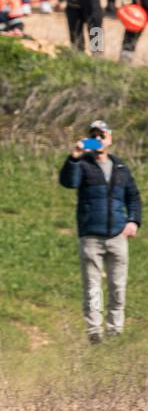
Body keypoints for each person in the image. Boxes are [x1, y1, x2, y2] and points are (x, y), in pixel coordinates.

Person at [59, 121, 141, 342]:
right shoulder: (82, 164)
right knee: (93, 287)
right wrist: (75, 156)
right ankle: (95, 332)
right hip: (91, 236)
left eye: (101, 135)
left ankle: (116, 331)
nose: (98, 139)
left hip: (117, 235)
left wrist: (133, 221)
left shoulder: (121, 167)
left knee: (118, 287)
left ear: (110, 138)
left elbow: (133, 197)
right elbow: (69, 182)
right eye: (93, 136)